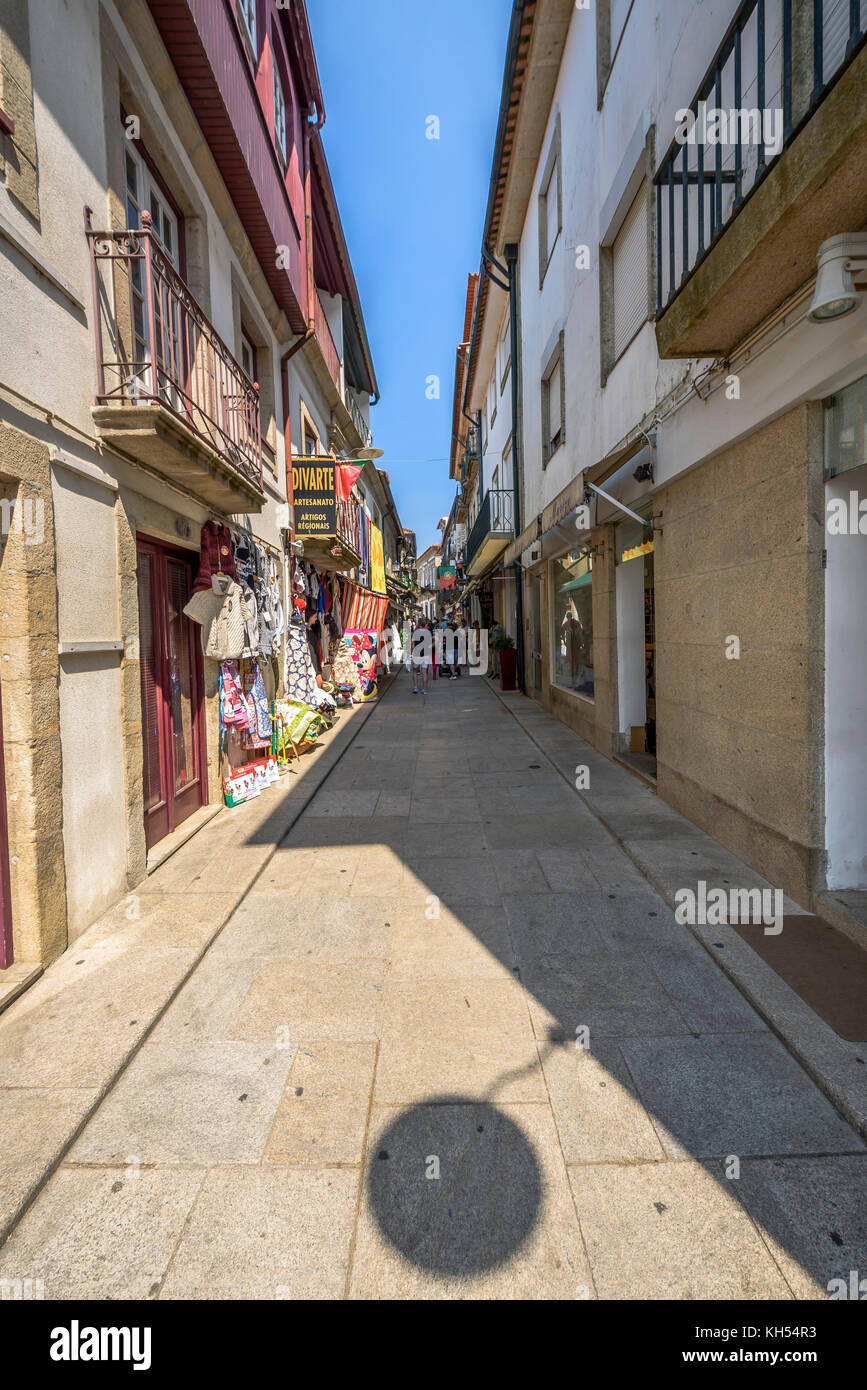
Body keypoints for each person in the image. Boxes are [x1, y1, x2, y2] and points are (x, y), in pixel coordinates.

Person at [411, 620, 430, 694]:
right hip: (425, 653)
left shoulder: (416, 632)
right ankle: (424, 689)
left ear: (418, 624)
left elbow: (411, 642)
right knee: (424, 672)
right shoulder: (428, 632)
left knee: (415, 671)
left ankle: (415, 687)